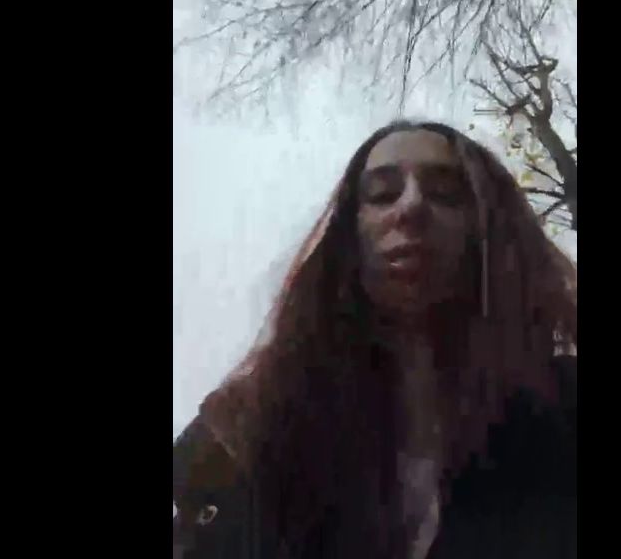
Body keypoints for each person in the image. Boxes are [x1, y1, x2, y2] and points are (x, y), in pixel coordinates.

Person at [173, 120, 577, 559]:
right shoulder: (245, 430)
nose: (411, 205)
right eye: (382, 194)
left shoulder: (563, 413)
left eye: (445, 193)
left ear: (489, 230)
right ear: (349, 237)